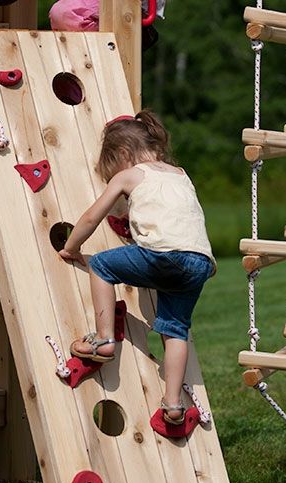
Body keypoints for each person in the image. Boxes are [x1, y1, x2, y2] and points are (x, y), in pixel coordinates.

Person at [59, 110, 215, 425]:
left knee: (102, 265)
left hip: (164, 255)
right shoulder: (180, 173)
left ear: (124, 155)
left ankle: (103, 339)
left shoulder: (129, 174)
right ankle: (173, 405)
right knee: (175, 330)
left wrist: (72, 247)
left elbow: (92, 217)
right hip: (200, 262)